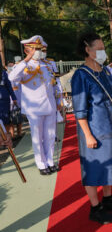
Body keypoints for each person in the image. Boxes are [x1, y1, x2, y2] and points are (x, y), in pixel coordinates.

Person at [71, 32, 112, 225]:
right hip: (94, 130)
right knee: (93, 169)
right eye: (100, 49)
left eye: (104, 48)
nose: (104, 51)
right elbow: (80, 109)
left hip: (110, 126)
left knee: (110, 167)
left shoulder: (104, 71)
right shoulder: (81, 75)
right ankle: (95, 208)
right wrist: (87, 135)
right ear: (88, 50)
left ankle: (107, 199)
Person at [8, 35, 61, 176]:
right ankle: (41, 163)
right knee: (37, 136)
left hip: (49, 106)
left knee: (50, 136)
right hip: (34, 108)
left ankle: (50, 161)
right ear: (27, 50)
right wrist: (25, 60)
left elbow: (55, 84)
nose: (39, 52)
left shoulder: (47, 65)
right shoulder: (24, 66)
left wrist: (59, 101)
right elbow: (11, 78)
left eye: (40, 49)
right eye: (35, 49)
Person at [0, 63, 17, 140]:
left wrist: (14, 98)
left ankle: (6, 138)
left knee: (5, 120)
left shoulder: (3, 73)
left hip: (4, 100)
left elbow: (9, 86)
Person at [8, 56, 24, 139]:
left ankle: (18, 133)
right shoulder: (9, 73)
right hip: (12, 98)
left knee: (18, 118)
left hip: (18, 98)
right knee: (12, 119)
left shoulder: (20, 73)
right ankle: (14, 134)